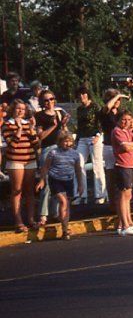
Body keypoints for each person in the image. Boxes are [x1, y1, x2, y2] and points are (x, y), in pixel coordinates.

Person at [36, 133, 83, 240]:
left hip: (68, 180)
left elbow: (78, 170)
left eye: (69, 141)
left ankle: (65, 228)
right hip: (55, 179)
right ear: (60, 142)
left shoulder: (75, 154)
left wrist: (80, 184)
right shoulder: (53, 153)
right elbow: (45, 167)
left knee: (67, 204)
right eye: (65, 141)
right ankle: (65, 228)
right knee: (63, 201)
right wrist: (42, 180)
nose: (67, 143)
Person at [2, 99, 39, 232]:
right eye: (18, 109)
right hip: (15, 160)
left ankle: (31, 219)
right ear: (13, 110)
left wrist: (32, 130)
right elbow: (11, 145)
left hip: (30, 159)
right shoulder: (7, 125)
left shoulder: (28, 124)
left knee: (30, 191)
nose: (20, 111)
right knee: (17, 190)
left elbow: (36, 144)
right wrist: (19, 129)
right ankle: (18, 221)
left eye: (23, 109)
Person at [35, 89, 70, 226]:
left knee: (59, 181)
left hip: (60, 148)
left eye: (51, 99)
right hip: (48, 149)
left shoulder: (60, 113)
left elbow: (65, 134)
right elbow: (40, 136)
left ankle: (55, 212)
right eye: (46, 100)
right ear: (42, 102)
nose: (49, 102)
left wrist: (63, 125)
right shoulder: (40, 115)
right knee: (46, 182)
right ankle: (43, 215)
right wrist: (53, 125)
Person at [110, 111, 133, 236]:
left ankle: (126, 223)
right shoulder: (117, 131)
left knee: (128, 195)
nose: (126, 122)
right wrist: (132, 145)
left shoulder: (128, 132)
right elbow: (125, 147)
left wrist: (132, 145)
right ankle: (125, 225)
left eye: (128, 119)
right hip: (122, 165)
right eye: (123, 119)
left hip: (130, 165)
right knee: (123, 196)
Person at [74, 87, 106, 205]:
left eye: (84, 94)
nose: (82, 97)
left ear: (88, 95)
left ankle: (100, 194)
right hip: (82, 138)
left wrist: (98, 135)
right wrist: (77, 139)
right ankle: (81, 194)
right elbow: (79, 125)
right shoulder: (79, 109)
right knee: (79, 164)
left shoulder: (95, 107)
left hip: (94, 137)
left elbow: (101, 122)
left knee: (97, 164)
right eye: (80, 95)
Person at [100, 89, 128, 209]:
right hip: (109, 146)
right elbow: (107, 108)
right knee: (111, 175)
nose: (118, 101)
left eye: (119, 99)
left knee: (122, 175)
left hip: (121, 145)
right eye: (115, 98)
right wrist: (118, 96)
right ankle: (112, 204)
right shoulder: (105, 112)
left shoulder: (121, 113)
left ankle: (122, 204)